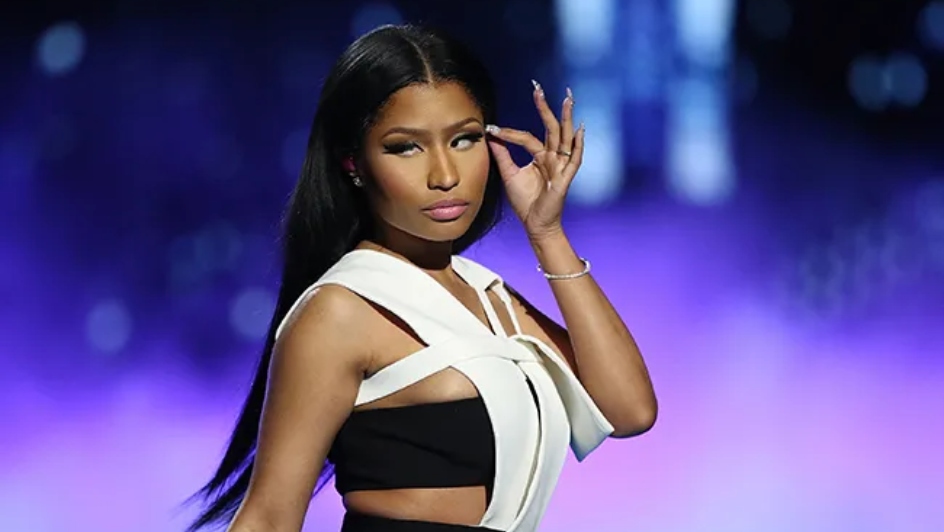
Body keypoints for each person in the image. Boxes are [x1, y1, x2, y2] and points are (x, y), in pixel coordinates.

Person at [188, 23, 657, 532]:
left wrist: (547, 234)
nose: (445, 175)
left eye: (464, 139)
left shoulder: (489, 297)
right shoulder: (341, 310)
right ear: (354, 162)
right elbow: (269, 516)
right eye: (406, 147)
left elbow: (629, 411)